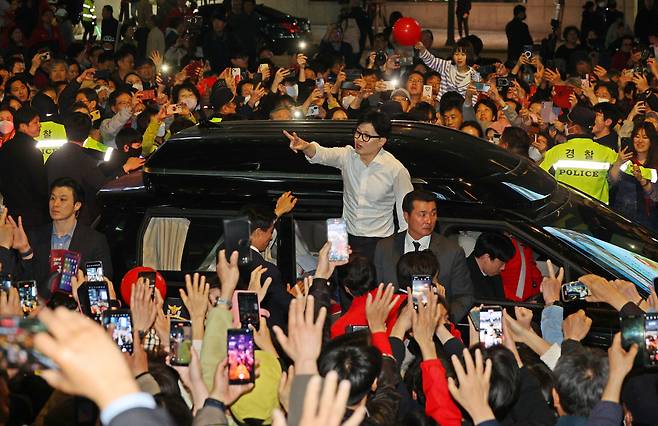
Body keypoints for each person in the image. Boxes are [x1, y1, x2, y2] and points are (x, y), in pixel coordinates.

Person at [283, 111, 413, 261]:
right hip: (342, 233)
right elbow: (322, 154)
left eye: (366, 136)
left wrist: (405, 248)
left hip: (378, 239)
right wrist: (305, 146)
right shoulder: (347, 156)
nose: (359, 139)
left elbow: (405, 213)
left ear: (381, 141)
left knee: (374, 282)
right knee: (338, 277)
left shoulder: (396, 169)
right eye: (357, 133)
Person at [373, 190, 474, 321]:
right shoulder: (385, 247)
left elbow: (464, 296)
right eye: (422, 215)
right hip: (393, 325)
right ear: (406, 216)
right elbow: (377, 290)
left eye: (433, 214)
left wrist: (443, 317)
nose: (429, 220)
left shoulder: (452, 252)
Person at [12, 177, 112, 298]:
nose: (55, 204)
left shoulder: (95, 240)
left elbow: (102, 287)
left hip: (75, 313)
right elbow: (21, 283)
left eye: (62, 199)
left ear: (77, 205)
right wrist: (25, 251)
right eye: (52, 198)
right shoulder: (33, 237)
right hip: (40, 311)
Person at [540, 106, 618, 204]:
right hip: (596, 214)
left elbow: (539, 178)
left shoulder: (556, 151)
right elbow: (634, 170)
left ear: (576, 128)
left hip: (565, 211)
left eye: (568, 124)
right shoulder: (606, 152)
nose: (566, 127)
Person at [236, 204, 291, 332]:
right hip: (264, 337)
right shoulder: (267, 271)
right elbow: (287, 307)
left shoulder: (226, 257)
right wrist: (290, 297)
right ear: (258, 232)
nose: (271, 237)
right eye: (271, 232)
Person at [0, 106, 49, 231]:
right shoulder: (32, 150)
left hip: (11, 210)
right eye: (35, 122)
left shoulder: (5, 148)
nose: (39, 125)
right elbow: (39, 183)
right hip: (33, 213)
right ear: (23, 126)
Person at [609, 122, 658, 231]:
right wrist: (618, 162)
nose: (640, 141)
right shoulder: (626, 159)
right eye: (637, 136)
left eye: (645, 137)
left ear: (651, 141)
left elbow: (655, 196)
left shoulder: (655, 164)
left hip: (648, 220)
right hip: (622, 215)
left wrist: (642, 180)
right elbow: (612, 181)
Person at [415, 38, 481, 101]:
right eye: (456, 54)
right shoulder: (446, 65)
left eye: (463, 54)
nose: (459, 57)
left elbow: (474, 97)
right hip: (441, 107)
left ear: (468, 56)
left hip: (462, 110)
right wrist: (422, 49)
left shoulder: (475, 75)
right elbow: (431, 60)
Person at [466, 232, 515, 300]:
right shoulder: (462, 276)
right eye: (501, 263)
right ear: (487, 257)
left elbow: (501, 302)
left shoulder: (493, 273)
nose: (503, 268)